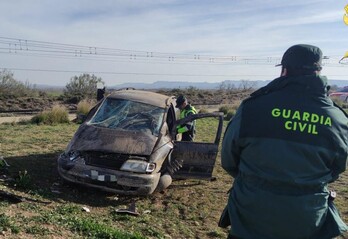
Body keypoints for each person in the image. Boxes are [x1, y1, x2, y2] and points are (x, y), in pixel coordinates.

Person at [219, 44, 348, 239]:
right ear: (318, 70)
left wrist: (258, 181)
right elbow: (337, 169)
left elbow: (229, 160)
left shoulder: (252, 108)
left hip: (251, 216)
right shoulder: (338, 118)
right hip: (307, 219)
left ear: (284, 70)